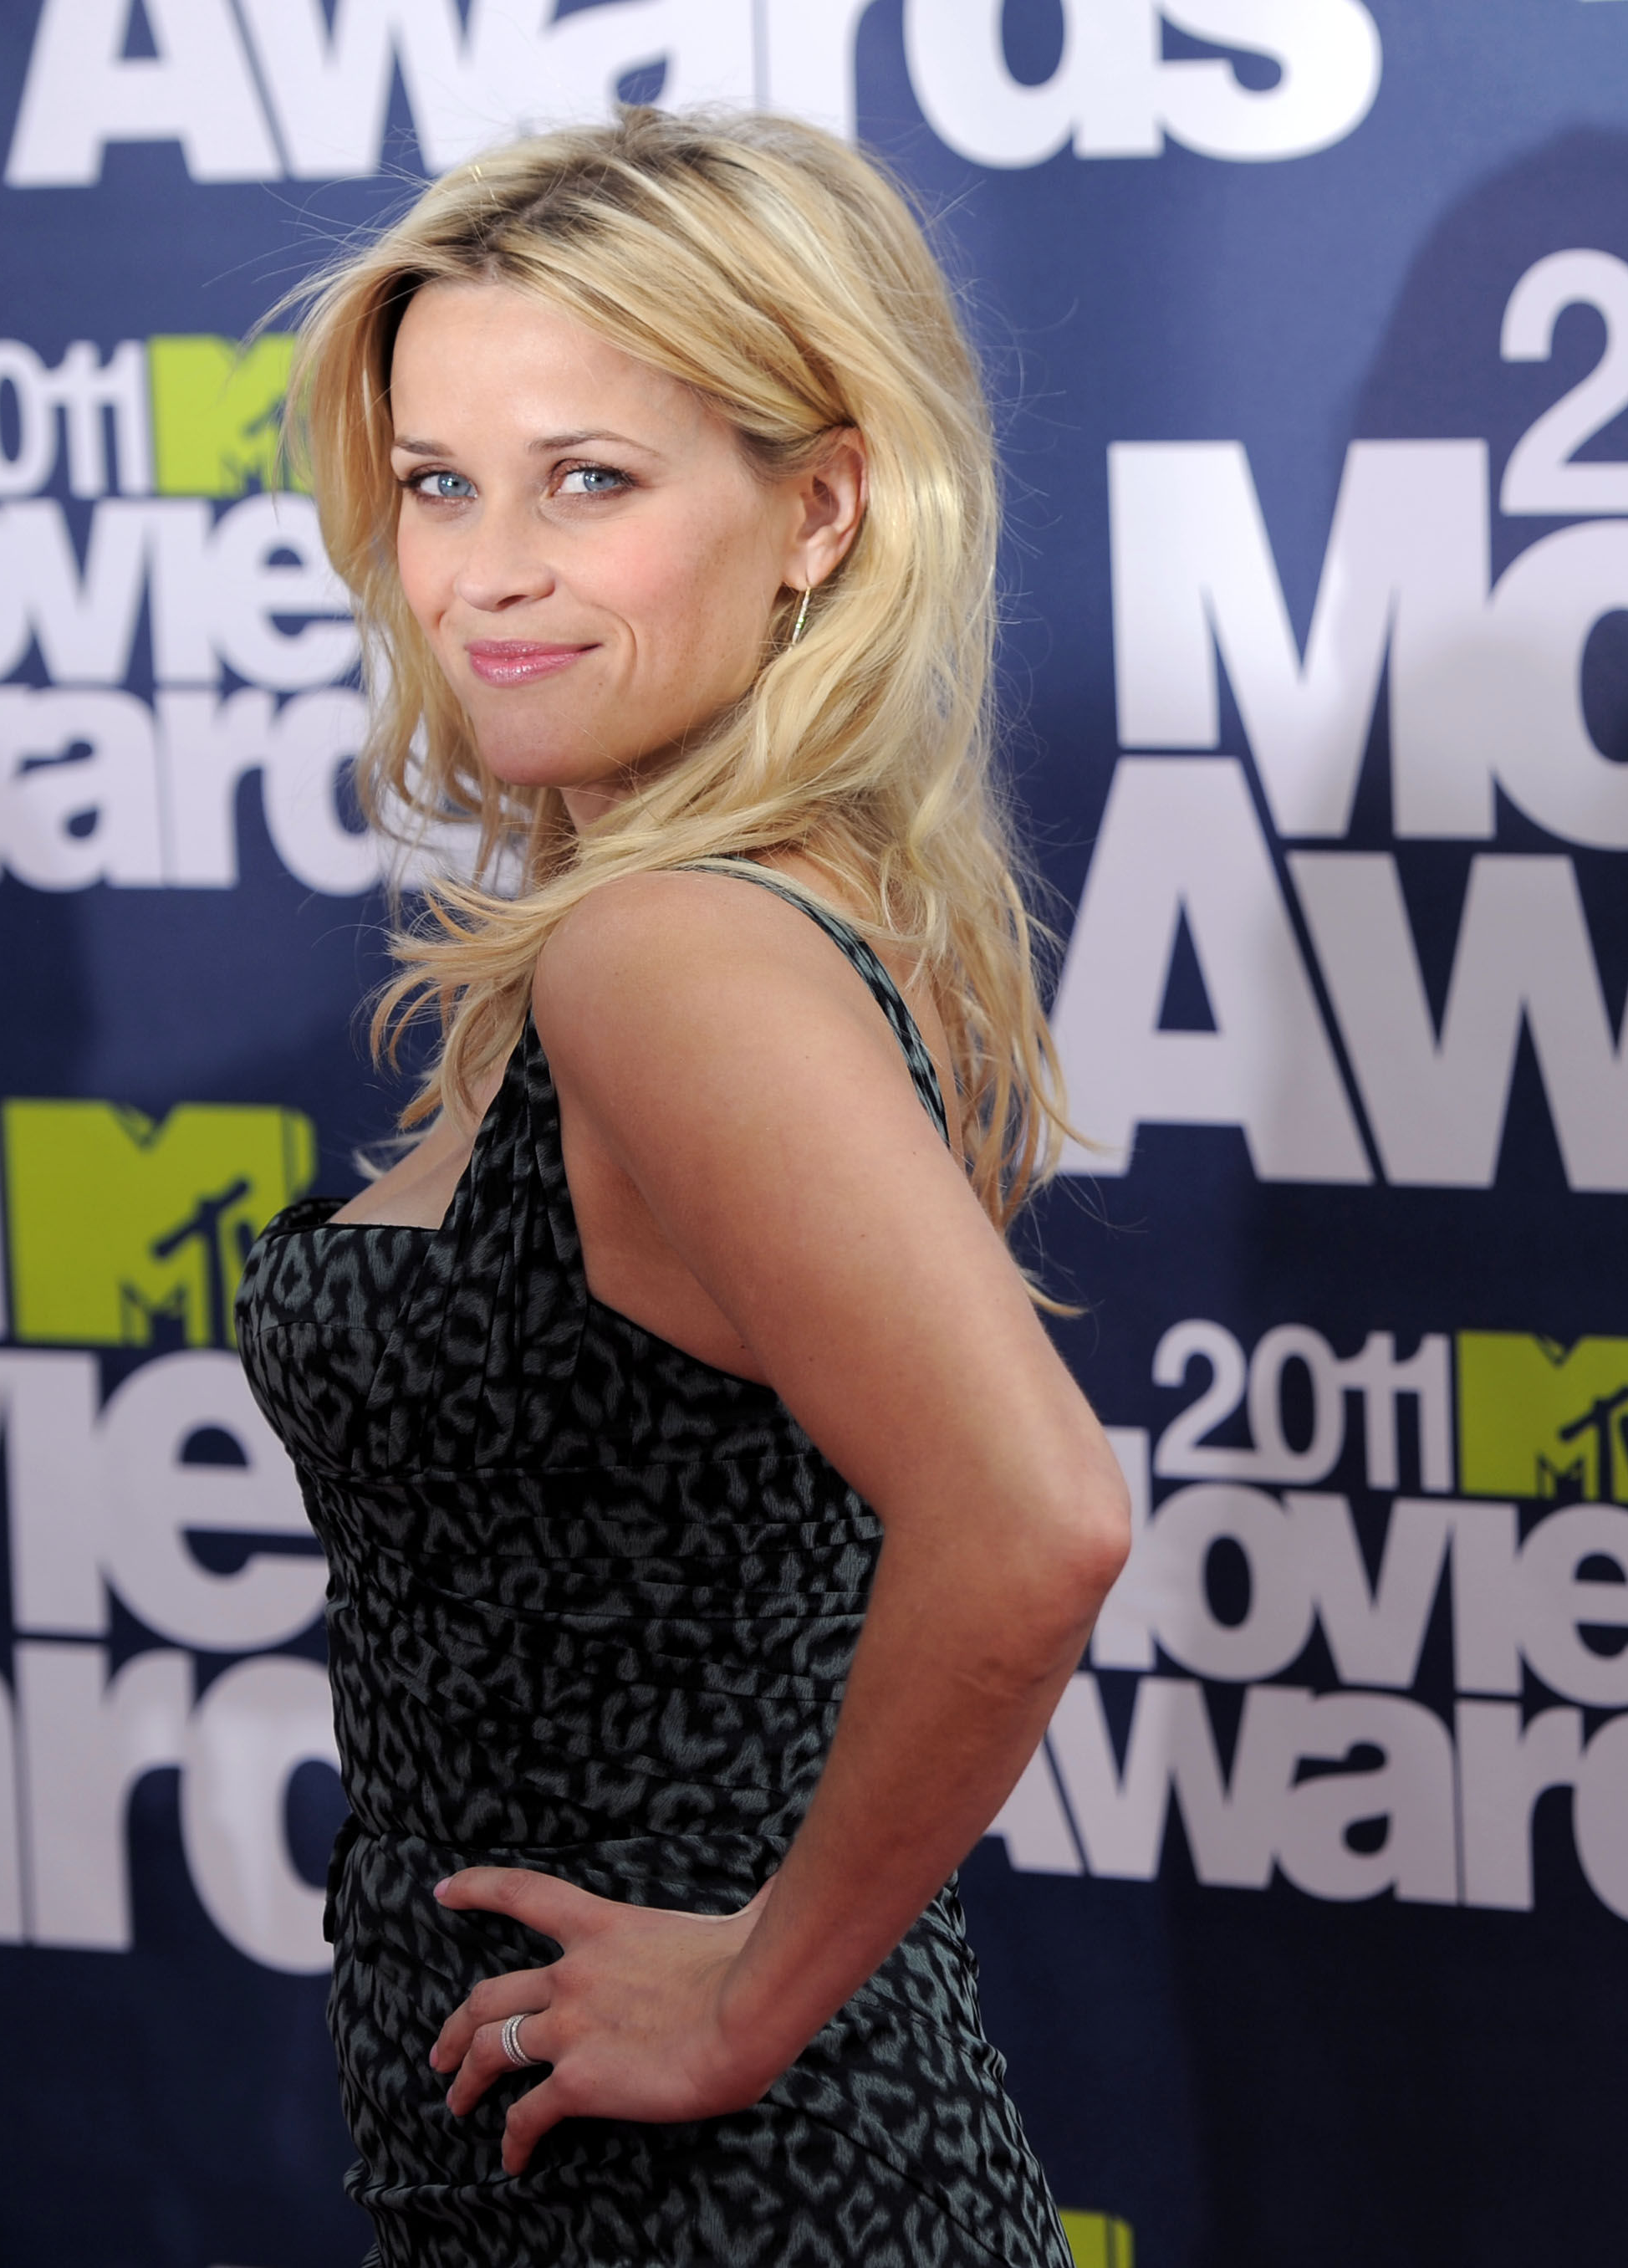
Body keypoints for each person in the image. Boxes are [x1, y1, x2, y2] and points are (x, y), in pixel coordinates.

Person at [235, 105, 1133, 2268]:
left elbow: (1036, 1521)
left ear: (820, 507)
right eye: (438, 484)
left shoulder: (668, 955)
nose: (484, 572)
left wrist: (743, 1998)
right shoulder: (766, 908)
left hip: (710, 2198)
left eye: (590, 481)